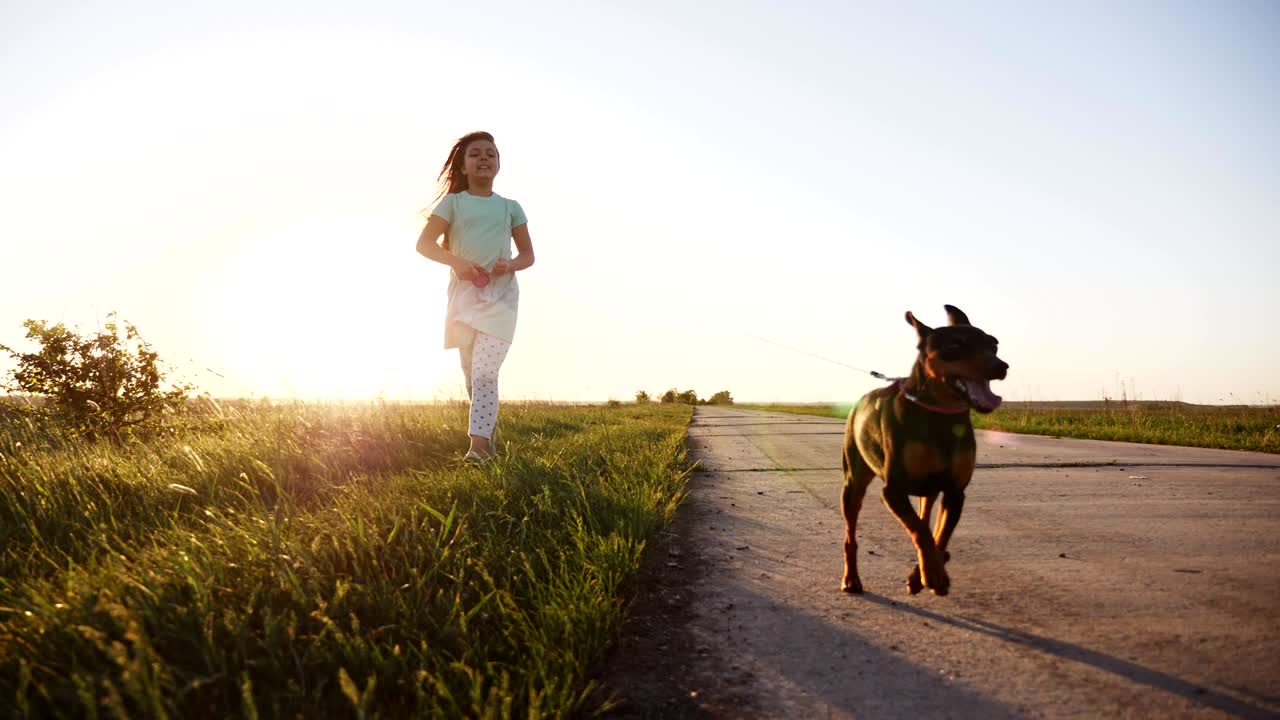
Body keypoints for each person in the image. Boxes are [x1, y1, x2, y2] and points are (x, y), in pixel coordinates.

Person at [416, 131, 535, 462]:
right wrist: (457, 262)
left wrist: (509, 264)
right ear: (463, 166)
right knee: (473, 377)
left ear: (498, 164)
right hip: (463, 301)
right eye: (475, 154)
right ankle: (490, 443)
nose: (484, 158)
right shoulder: (452, 204)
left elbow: (528, 255)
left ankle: (477, 449)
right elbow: (424, 244)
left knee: (484, 373)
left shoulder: (510, 207)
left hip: (501, 301)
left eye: (490, 154)